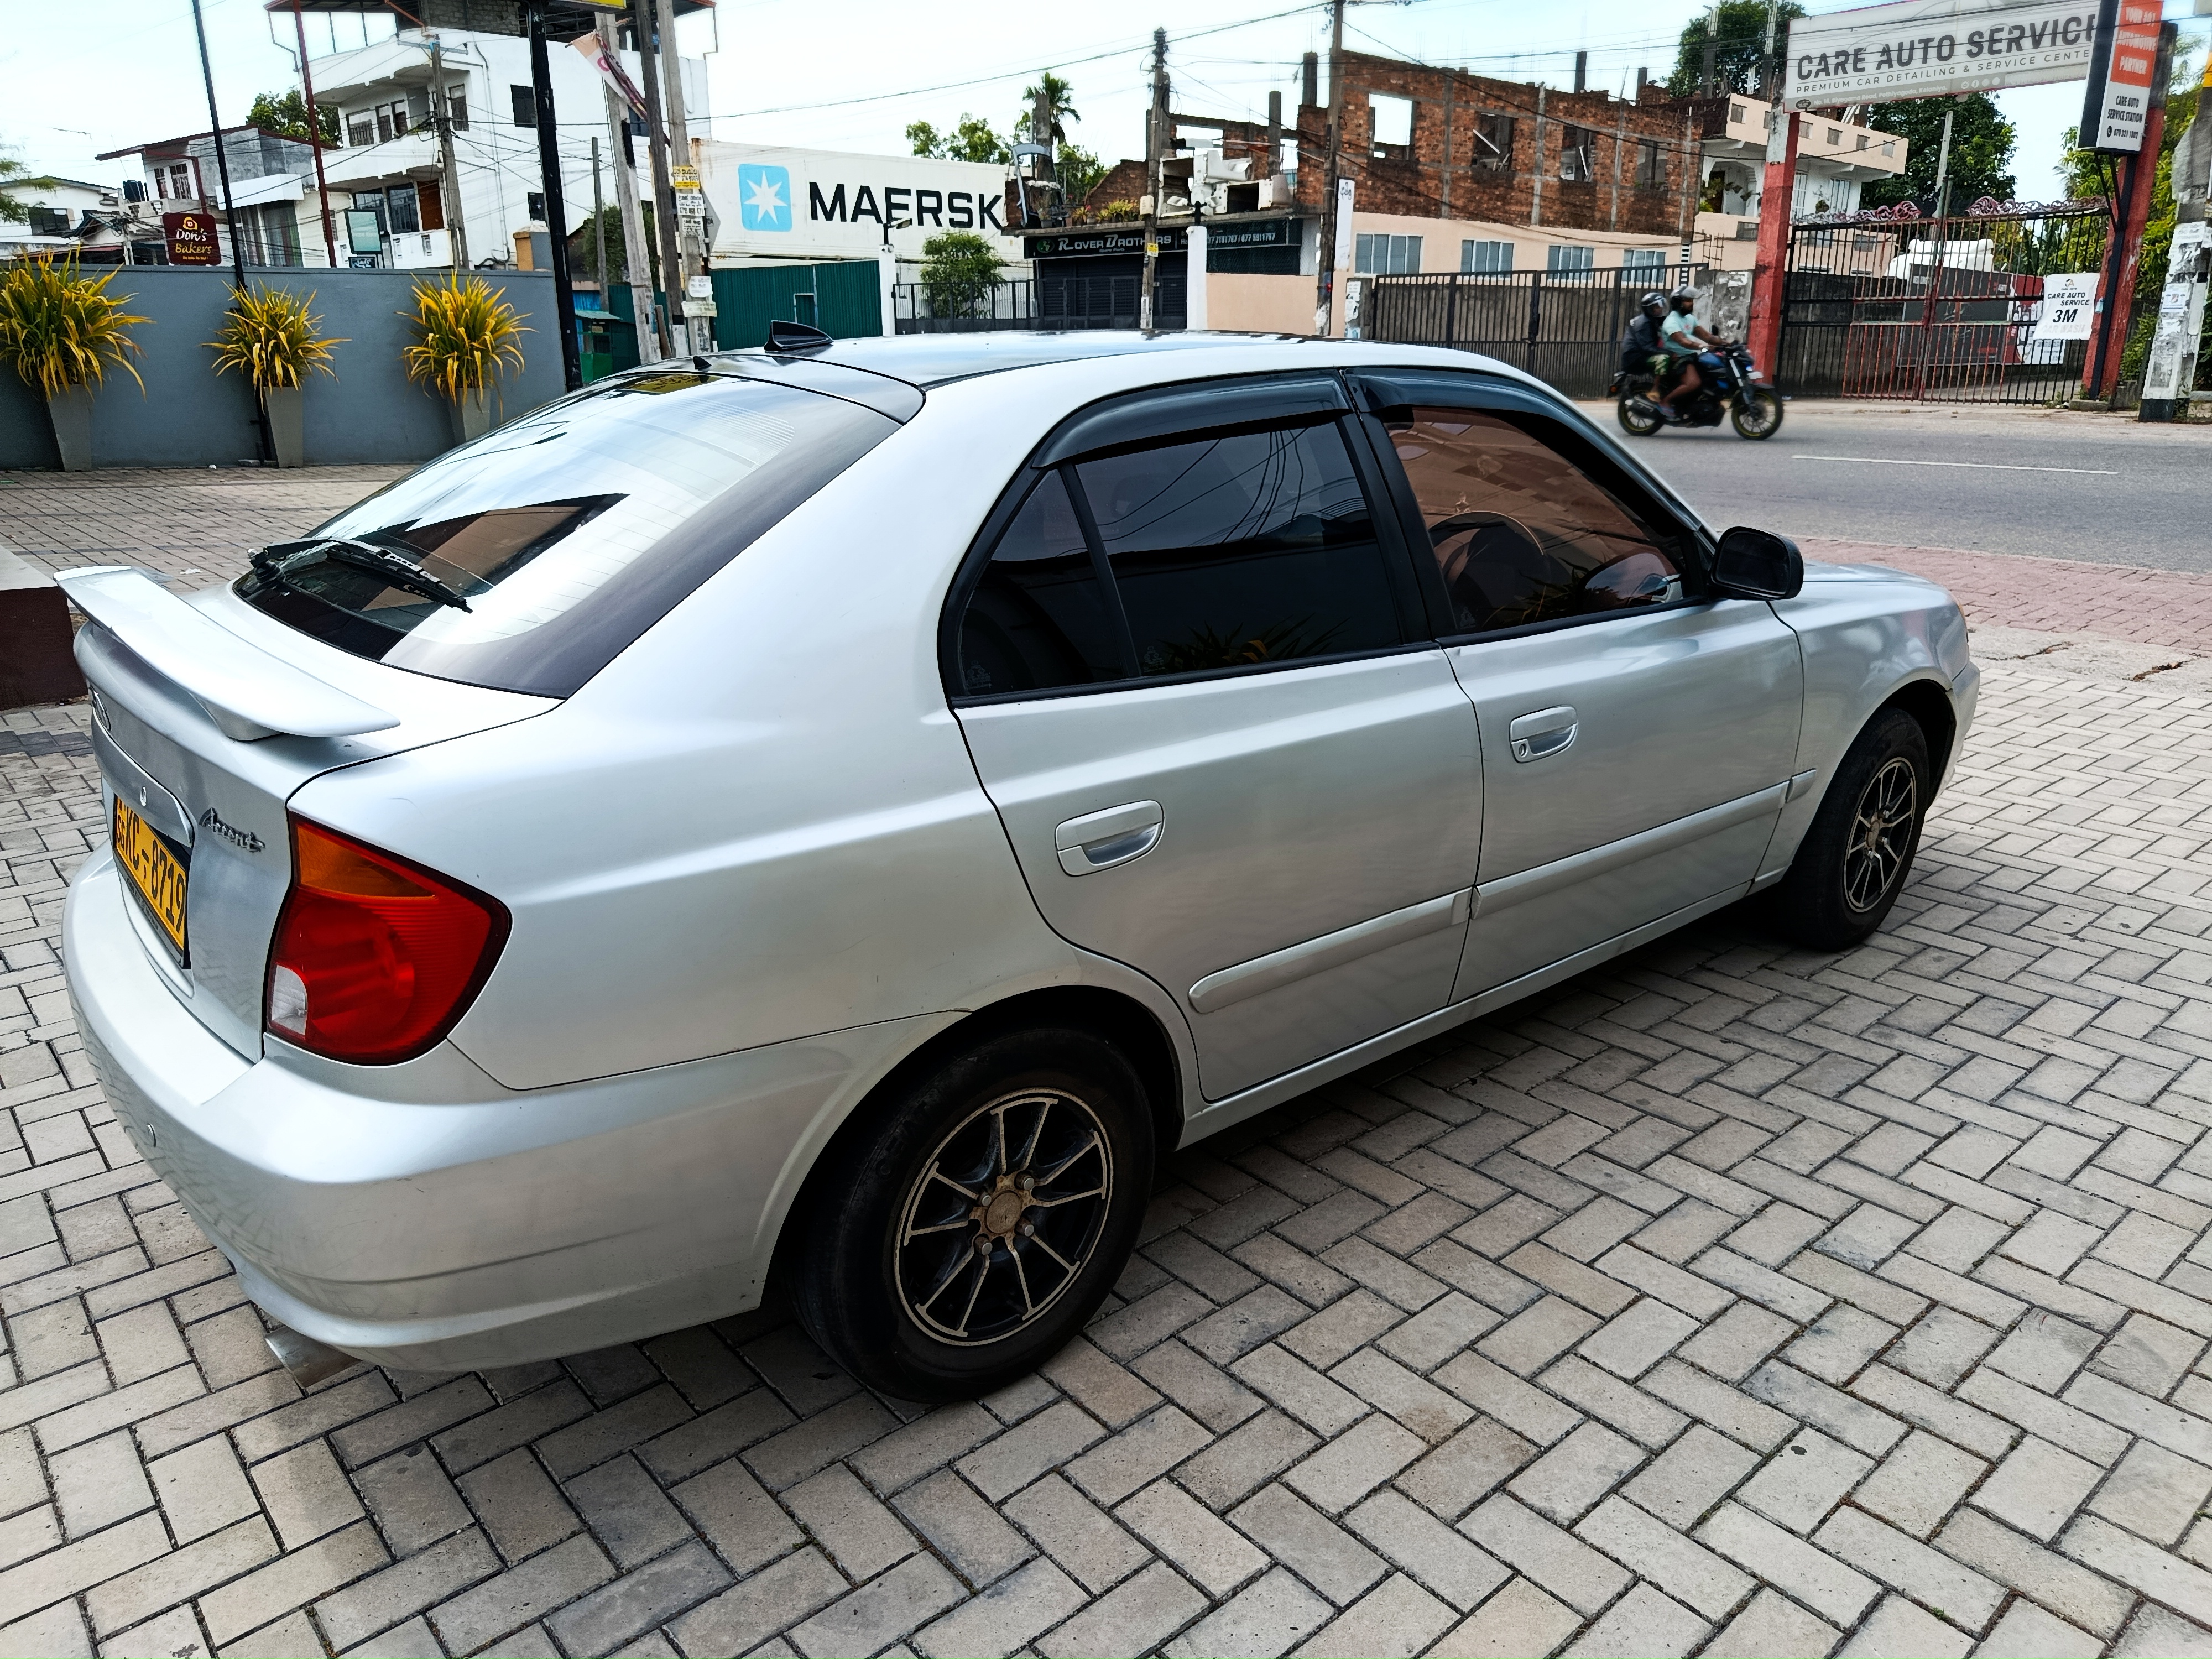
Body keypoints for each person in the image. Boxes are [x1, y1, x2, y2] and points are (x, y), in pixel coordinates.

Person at [1657, 287, 1729, 421]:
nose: (1691, 303)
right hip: (1677, 358)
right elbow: (1683, 341)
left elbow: (1708, 337)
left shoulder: (1690, 319)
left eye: (1692, 301)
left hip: (1691, 356)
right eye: (1688, 301)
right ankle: (1665, 401)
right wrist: (1702, 346)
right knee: (1694, 383)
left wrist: (1728, 344)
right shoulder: (1671, 321)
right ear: (1678, 302)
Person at [1621, 292, 1669, 385]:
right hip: (1635, 359)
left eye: (1660, 306)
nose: (1661, 309)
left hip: (1639, 355)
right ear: (1650, 309)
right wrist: (1669, 353)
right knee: (1664, 358)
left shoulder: (1649, 320)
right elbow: (1648, 348)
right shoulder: (1644, 323)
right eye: (1657, 307)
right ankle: (1655, 390)